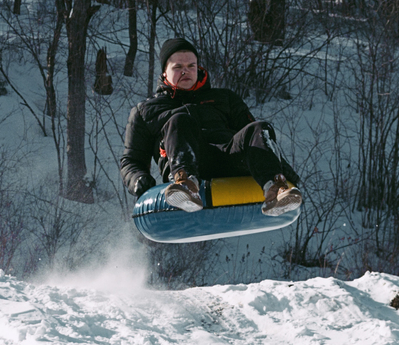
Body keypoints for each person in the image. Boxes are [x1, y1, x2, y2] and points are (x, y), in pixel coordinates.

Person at [119, 37, 303, 215]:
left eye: (191, 66)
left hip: (229, 158)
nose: (186, 71)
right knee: (179, 120)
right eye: (178, 67)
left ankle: (276, 191)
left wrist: (282, 168)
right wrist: (138, 180)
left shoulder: (225, 98)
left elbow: (256, 139)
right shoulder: (145, 111)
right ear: (164, 71)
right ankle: (186, 186)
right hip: (189, 163)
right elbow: (131, 161)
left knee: (260, 127)